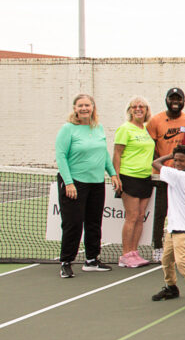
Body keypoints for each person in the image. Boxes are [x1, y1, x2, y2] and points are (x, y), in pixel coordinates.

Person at [55, 93, 121, 276]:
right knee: (73, 224)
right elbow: (61, 156)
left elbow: (104, 154)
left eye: (87, 105)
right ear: (75, 109)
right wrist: (68, 183)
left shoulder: (98, 128)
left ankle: (92, 260)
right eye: (80, 105)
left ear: (93, 108)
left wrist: (113, 174)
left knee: (93, 222)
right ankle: (66, 262)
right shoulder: (68, 129)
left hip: (96, 183)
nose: (84, 108)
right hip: (75, 183)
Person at [149, 145, 185, 309]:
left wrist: (169, 155)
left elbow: (155, 162)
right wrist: (175, 156)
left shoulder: (179, 176)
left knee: (181, 262)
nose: (177, 163)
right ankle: (171, 287)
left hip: (184, 226)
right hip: (173, 226)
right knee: (166, 260)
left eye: (182, 160)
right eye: (175, 160)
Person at [147, 88, 185, 261]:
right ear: (166, 100)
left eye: (178, 99)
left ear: (183, 101)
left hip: (183, 177)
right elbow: (149, 147)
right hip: (162, 175)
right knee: (160, 213)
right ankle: (158, 246)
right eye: (172, 99)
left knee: (184, 213)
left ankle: (184, 247)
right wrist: (162, 168)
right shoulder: (155, 120)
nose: (175, 102)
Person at [112, 95, 155, 268]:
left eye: (141, 107)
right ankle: (125, 255)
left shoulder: (145, 130)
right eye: (134, 107)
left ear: (146, 111)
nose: (138, 109)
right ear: (129, 110)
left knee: (139, 217)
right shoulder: (125, 129)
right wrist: (116, 176)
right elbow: (117, 153)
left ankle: (134, 252)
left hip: (146, 177)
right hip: (129, 177)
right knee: (131, 216)